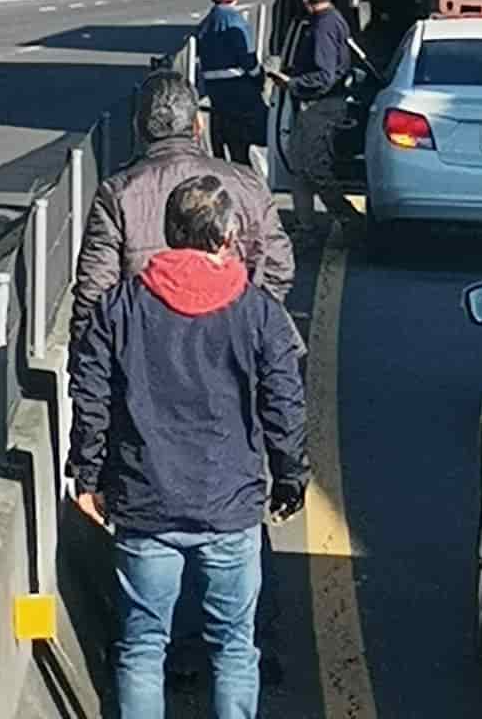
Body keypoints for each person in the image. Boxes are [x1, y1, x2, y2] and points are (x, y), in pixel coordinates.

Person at [69, 177, 310, 719]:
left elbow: (91, 397)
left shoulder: (120, 307)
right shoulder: (258, 313)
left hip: (145, 501)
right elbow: (284, 404)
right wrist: (291, 476)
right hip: (230, 504)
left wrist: (86, 477)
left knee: (140, 647)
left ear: (168, 233)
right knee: (233, 647)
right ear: (226, 236)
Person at [71, 70, 294, 344]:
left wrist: (89, 360)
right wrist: (251, 324)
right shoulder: (248, 184)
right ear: (197, 125)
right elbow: (279, 266)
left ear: (138, 128)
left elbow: (95, 290)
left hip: (144, 352)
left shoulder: (116, 193)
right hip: (232, 348)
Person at [273, 0, 363, 238]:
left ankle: (348, 218)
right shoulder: (332, 20)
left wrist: (292, 83)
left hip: (321, 106)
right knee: (300, 166)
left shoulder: (323, 26)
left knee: (313, 168)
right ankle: (305, 224)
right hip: (324, 103)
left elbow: (324, 75)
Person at [195, 0, 265, 165]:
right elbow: (249, 61)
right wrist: (260, 78)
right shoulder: (236, 22)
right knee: (242, 151)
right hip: (240, 96)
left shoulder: (206, 24)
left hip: (216, 97)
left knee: (221, 154)